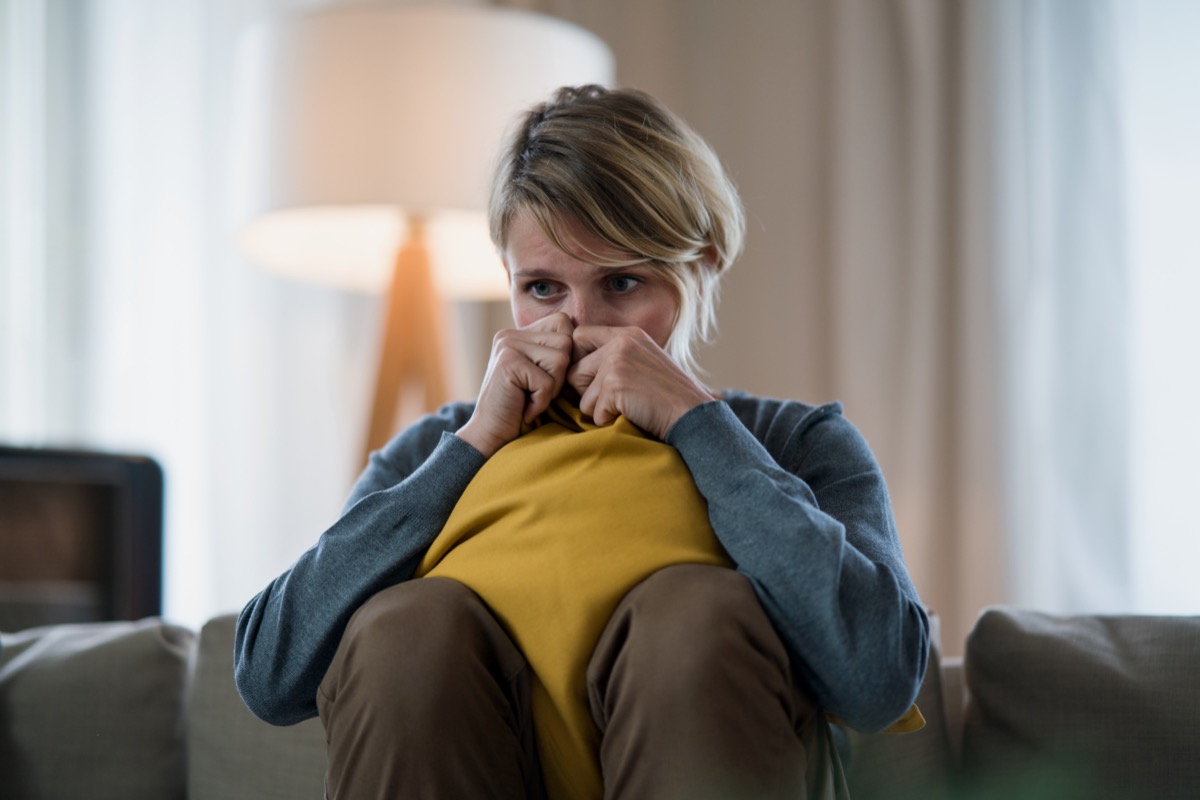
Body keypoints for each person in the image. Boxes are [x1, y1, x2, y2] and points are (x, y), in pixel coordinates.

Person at [233, 84, 929, 800]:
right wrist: (475, 444)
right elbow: (268, 674)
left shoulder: (797, 443)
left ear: (704, 266)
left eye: (622, 283)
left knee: (692, 615)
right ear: (506, 279)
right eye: (541, 289)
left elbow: (878, 679)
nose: (579, 326)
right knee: (409, 629)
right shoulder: (435, 450)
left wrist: (698, 424)